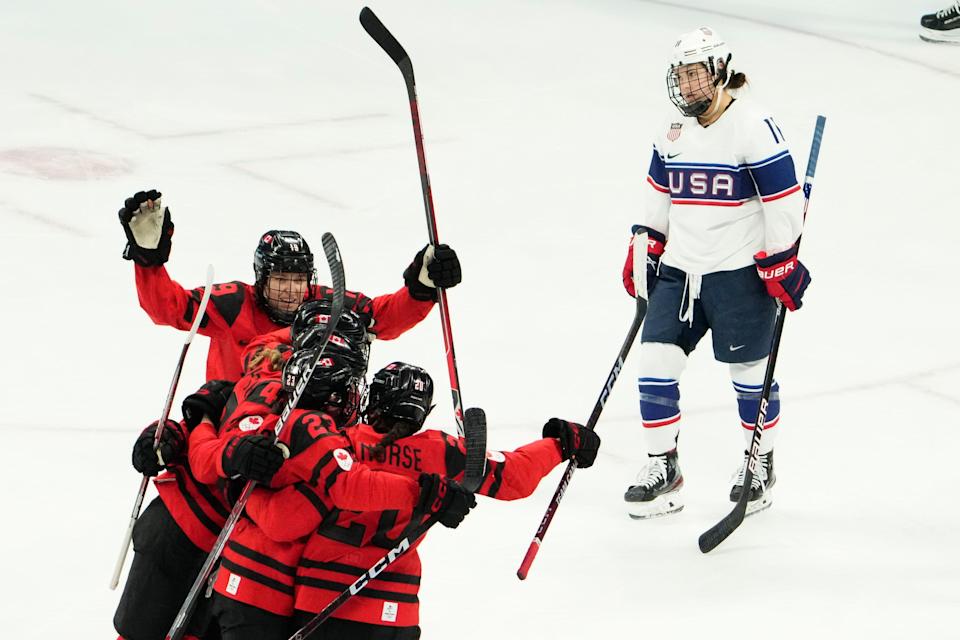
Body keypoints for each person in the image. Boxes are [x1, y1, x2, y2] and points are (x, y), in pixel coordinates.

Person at [245, 362, 600, 639]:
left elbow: (283, 518)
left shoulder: (339, 442)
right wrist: (560, 443)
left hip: (320, 603)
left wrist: (245, 490)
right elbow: (515, 477)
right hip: (396, 612)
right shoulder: (440, 453)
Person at [620, 27, 810, 519]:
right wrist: (645, 242)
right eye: (680, 76)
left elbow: (785, 202)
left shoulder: (753, 125)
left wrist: (779, 259)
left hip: (738, 275)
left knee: (750, 376)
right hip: (682, 274)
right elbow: (657, 196)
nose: (686, 86)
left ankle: (758, 462)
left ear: (720, 71)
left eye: (695, 74)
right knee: (655, 366)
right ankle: (665, 468)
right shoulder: (672, 132)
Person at [187, 330, 476, 640]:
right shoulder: (322, 437)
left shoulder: (278, 398)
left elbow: (208, 454)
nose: (353, 396)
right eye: (344, 389)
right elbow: (289, 517)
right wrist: (421, 492)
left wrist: (201, 422)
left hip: (250, 581)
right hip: (261, 589)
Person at [118, 188, 462, 381]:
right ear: (260, 279)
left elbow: (382, 319)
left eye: (298, 280)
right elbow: (168, 308)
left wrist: (421, 289)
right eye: (280, 279)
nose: (290, 290)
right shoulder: (233, 302)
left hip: (304, 433)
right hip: (231, 430)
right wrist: (148, 260)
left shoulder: (327, 304)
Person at [112, 379, 236, 640]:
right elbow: (192, 424)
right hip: (178, 531)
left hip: (239, 555)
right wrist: (163, 436)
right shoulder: (260, 375)